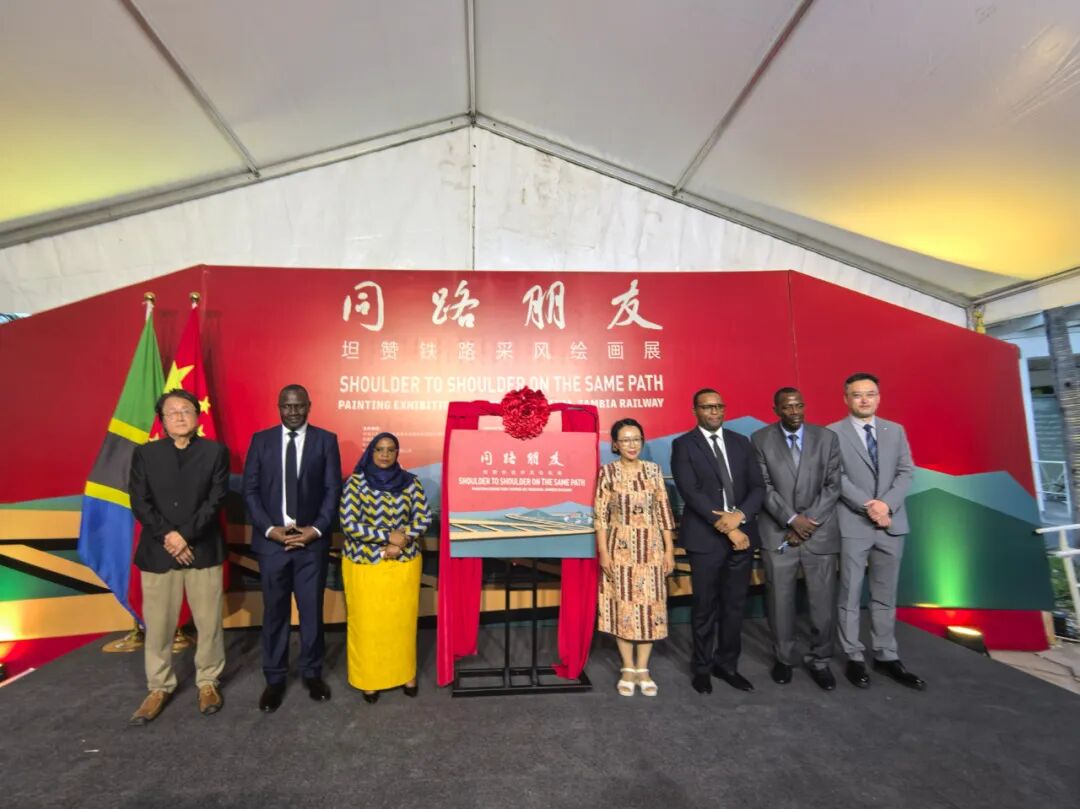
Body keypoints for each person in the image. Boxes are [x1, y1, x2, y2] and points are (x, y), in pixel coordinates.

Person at [128, 388, 230, 724]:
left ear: (197, 416)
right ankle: (159, 686)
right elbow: (139, 501)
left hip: (203, 549)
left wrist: (185, 535)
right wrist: (170, 536)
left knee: (209, 624)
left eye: (186, 410)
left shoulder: (215, 452)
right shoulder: (145, 454)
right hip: (159, 552)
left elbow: (216, 499)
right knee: (158, 626)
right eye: (172, 412)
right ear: (162, 420)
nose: (180, 416)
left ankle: (208, 681)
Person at [243, 384, 342, 712]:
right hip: (272, 545)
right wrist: (271, 531)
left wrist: (316, 530)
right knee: (275, 613)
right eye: (287, 406)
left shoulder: (325, 441)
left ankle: (312, 673)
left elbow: (332, 491)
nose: (293, 411)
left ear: (309, 406)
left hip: (311, 545)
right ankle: (274, 679)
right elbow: (250, 492)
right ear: (279, 407)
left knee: (311, 612)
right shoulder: (261, 441)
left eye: (299, 405)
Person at [828, 373, 925, 690]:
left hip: (890, 523)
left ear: (879, 397)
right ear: (846, 399)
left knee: (885, 595)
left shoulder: (895, 430)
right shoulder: (832, 433)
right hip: (853, 523)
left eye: (870, 394)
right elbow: (836, 477)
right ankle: (853, 657)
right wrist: (868, 506)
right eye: (857, 394)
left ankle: (886, 655)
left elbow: (906, 471)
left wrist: (886, 506)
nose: (864, 400)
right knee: (850, 594)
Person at [670, 388, 764, 694]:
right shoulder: (684, 445)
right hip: (706, 538)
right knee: (704, 607)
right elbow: (690, 491)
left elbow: (758, 487)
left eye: (719, 406)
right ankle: (702, 668)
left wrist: (740, 517)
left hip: (742, 535)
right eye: (707, 407)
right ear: (695, 410)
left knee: (734, 606)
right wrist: (728, 527)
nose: (714, 411)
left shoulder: (741, 442)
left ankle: (727, 665)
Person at [752, 387, 842, 691]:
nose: (795, 412)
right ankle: (784, 658)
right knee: (780, 602)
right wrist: (791, 519)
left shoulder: (827, 438)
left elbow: (833, 486)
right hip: (778, 533)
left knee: (823, 604)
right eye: (788, 407)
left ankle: (820, 660)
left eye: (799, 406)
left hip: (819, 532)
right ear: (776, 409)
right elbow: (763, 485)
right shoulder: (760, 439)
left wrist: (807, 522)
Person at [339, 433, 432, 702]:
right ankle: (369, 679)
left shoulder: (410, 482)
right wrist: (387, 536)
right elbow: (349, 524)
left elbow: (423, 517)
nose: (385, 454)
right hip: (365, 564)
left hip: (404, 563)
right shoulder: (356, 483)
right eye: (379, 449)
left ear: (397, 453)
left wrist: (403, 539)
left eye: (391, 450)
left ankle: (406, 674)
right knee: (368, 624)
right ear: (371, 452)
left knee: (402, 623)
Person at [594, 418, 676, 696]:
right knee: (624, 607)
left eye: (636, 439)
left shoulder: (653, 471)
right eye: (625, 440)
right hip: (620, 550)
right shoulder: (608, 473)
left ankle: (643, 668)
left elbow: (664, 512)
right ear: (615, 444)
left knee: (650, 608)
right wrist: (604, 553)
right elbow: (600, 516)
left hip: (651, 550)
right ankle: (627, 667)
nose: (632, 445)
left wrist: (669, 550)